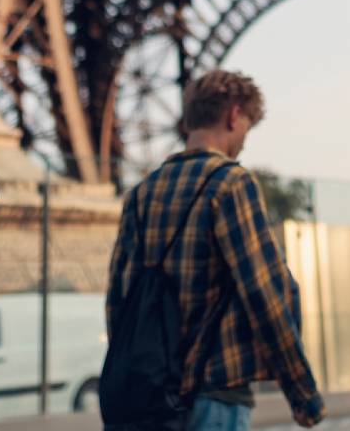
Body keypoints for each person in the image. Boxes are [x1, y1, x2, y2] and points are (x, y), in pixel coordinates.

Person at [105, 70, 324, 430]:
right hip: (214, 395)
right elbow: (266, 295)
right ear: (234, 115)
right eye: (246, 130)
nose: (243, 142)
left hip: (150, 398)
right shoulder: (231, 183)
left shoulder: (141, 194)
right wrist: (302, 394)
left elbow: (119, 299)